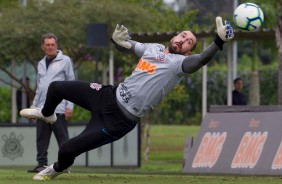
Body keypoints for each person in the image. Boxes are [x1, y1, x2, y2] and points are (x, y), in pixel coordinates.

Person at [20, 16, 233, 180]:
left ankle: (57, 169)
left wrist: (217, 41)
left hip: (118, 121)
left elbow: (201, 60)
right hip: (107, 96)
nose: (184, 40)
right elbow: (127, 45)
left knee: (66, 149)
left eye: (189, 42)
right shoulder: (154, 48)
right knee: (56, 87)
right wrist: (117, 40)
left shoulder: (180, 64)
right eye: (184, 35)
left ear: (188, 52)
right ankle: (47, 114)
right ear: (175, 36)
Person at [26, 33, 75, 173]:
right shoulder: (41, 63)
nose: (50, 47)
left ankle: (66, 165)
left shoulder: (65, 61)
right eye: (47, 45)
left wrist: (69, 106)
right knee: (41, 139)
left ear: (56, 45)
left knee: (63, 139)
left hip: (59, 108)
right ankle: (41, 165)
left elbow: (71, 85)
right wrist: (33, 108)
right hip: (41, 108)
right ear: (43, 47)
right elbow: (39, 88)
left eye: (52, 44)